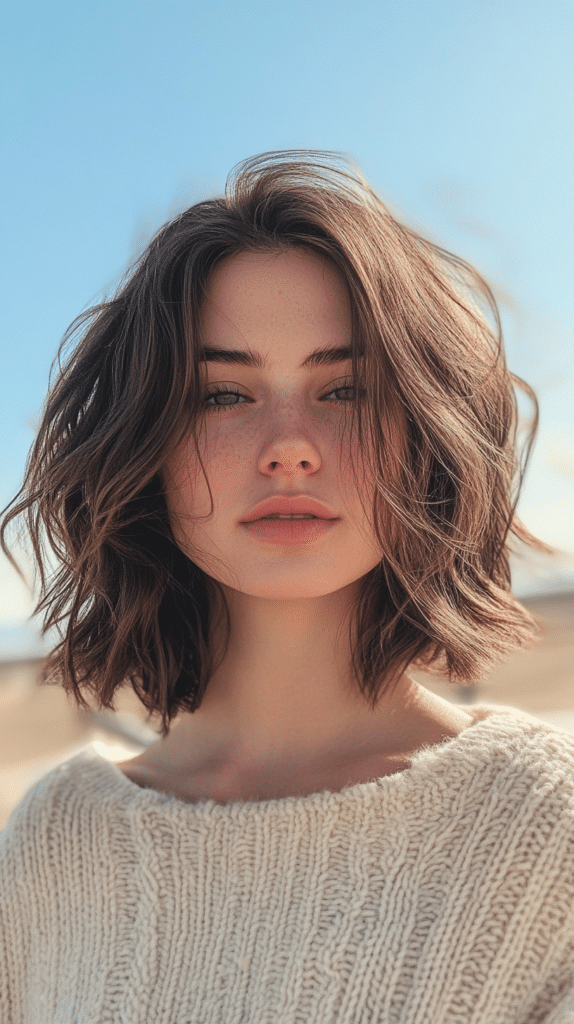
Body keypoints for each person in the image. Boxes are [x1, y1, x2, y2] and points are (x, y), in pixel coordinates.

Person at [1, 151, 573, 1023]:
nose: (289, 445)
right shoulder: (49, 845)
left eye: (343, 388)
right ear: (146, 447)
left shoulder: (544, 824)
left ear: (423, 435)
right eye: (224, 395)